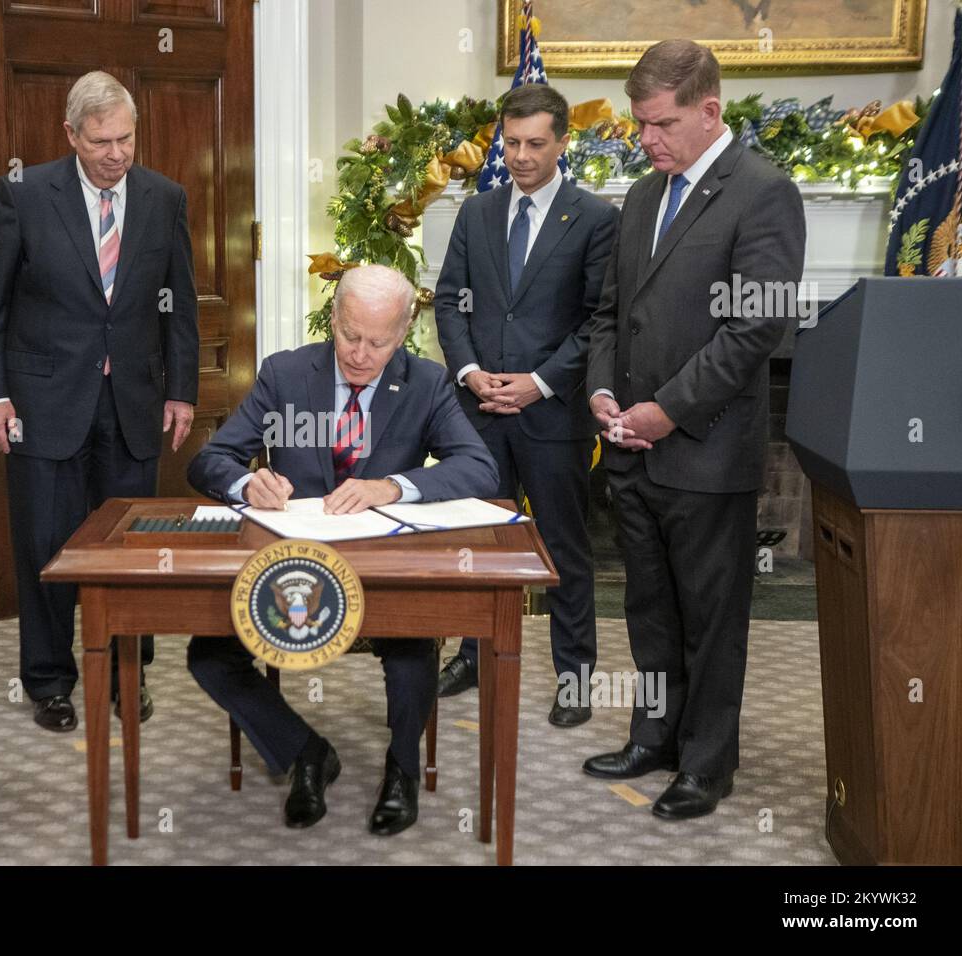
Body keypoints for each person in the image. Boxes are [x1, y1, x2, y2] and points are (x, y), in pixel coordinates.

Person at [186, 265, 498, 836]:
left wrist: (392, 487)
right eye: (350, 336)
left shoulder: (426, 384)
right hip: (291, 570)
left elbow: (479, 467)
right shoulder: (285, 374)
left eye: (377, 343)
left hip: (384, 572)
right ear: (334, 319)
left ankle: (402, 770)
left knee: (413, 646)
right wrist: (243, 482)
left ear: (402, 334)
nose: (358, 354)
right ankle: (306, 751)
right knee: (207, 654)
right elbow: (210, 460)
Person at [583, 39, 806, 819]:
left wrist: (667, 410)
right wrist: (604, 392)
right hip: (631, 450)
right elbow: (612, 312)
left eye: (661, 123)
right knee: (648, 608)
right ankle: (656, 734)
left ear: (710, 110)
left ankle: (707, 765)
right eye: (640, 123)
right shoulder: (644, 195)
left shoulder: (764, 193)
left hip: (706, 453)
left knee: (712, 621)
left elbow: (755, 332)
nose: (646, 139)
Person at [0, 70, 198, 732]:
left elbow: (178, 302)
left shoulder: (164, 197)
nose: (117, 154)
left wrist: (182, 388)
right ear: (71, 135)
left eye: (126, 139)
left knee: (131, 541)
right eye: (101, 142)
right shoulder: (23, 195)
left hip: (132, 400)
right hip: (41, 402)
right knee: (46, 540)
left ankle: (129, 674)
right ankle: (48, 680)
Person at [434, 83, 619, 725]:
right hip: (479, 414)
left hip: (552, 415)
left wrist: (539, 382)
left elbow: (599, 320)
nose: (520, 157)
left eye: (535, 144)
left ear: (563, 142)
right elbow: (448, 301)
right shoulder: (476, 212)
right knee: (476, 539)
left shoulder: (595, 218)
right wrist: (469, 370)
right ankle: (471, 654)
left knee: (564, 548)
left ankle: (574, 677)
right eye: (510, 143)